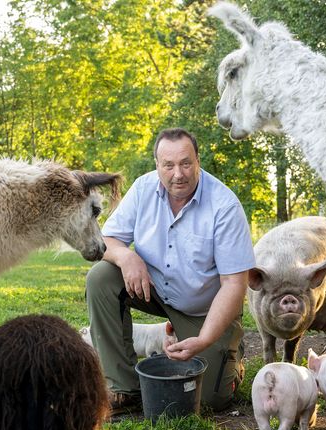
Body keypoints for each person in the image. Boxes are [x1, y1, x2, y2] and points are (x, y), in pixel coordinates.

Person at [85, 127, 255, 412]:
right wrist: (128, 258)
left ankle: (232, 364)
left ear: (198, 161)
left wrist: (204, 340)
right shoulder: (143, 189)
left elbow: (234, 285)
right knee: (101, 278)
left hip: (205, 308)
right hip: (155, 289)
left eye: (186, 163)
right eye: (169, 165)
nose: (178, 174)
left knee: (210, 401)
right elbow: (107, 240)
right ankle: (123, 387)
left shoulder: (224, 206)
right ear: (157, 165)